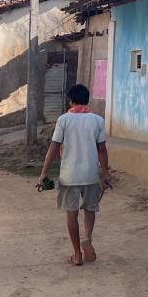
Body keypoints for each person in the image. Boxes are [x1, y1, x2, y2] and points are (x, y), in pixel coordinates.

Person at [38, 84, 110, 266]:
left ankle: (77, 254)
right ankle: (88, 238)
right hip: (91, 174)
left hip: (69, 175)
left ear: (70, 100)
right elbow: (102, 150)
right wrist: (106, 174)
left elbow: (54, 148)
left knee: (71, 214)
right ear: (87, 100)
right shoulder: (98, 121)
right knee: (90, 209)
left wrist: (44, 173)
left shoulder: (64, 120)